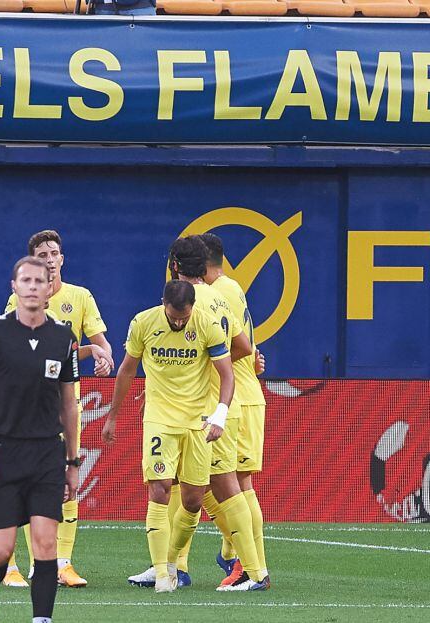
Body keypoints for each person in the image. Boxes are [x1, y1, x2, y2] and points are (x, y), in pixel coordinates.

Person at [0, 257, 81, 623]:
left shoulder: (64, 338)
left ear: (50, 289)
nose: (32, 286)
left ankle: (41, 620)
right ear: (13, 287)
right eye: (25, 280)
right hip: (2, 453)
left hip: (48, 453)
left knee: (46, 545)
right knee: (1, 552)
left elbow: (69, 404)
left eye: (39, 281)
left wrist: (73, 461)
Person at [101, 279, 235, 593]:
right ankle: (161, 574)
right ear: (163, 303)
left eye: (183, 318)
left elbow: (226, 373)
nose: (178, 322)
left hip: (197, 423)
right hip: (159, 419)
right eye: (174, 316)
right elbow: (127, 369)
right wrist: (113, 415)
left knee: (192, 500)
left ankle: (172, 562)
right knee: (159, 488)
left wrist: (220, 414)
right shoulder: (143, 323)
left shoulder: (206, 324)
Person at [1, 230, 113, 589]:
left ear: (62, 258)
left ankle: (60, 564)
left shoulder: (80, 297)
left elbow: (100, 344)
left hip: (65, 406)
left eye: (54, 253)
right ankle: (9, 564)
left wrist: (101, 355)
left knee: (67, 480)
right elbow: (16, 348)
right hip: (24, 406)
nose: (50, 258)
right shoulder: (19, 297)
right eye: (42, 254)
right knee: (17, 482)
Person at [201, 232, 271, 586]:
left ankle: (247, 564)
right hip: (242, 392)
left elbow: (237, 347)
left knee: (236, 483)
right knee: (221, 482)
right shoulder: (231, 288)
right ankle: (233, 554)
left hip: (236, 397)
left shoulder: (218, 293)